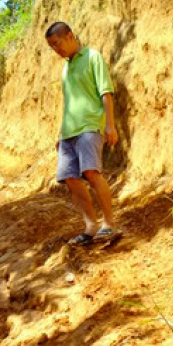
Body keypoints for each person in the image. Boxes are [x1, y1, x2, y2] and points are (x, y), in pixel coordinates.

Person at [45, 21, 119, 245]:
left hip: (90, 125)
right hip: (69, 131)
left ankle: (108, 223)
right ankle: (91, 225)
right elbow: (68, 103)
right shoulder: (66, 68)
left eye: (57, 44)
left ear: (70, 36)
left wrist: (110, 125)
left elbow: (106, 92)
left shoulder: (92, 57)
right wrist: (60, 133)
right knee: (70, 178)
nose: (56, 50)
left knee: (91, 172)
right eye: (52, 47)